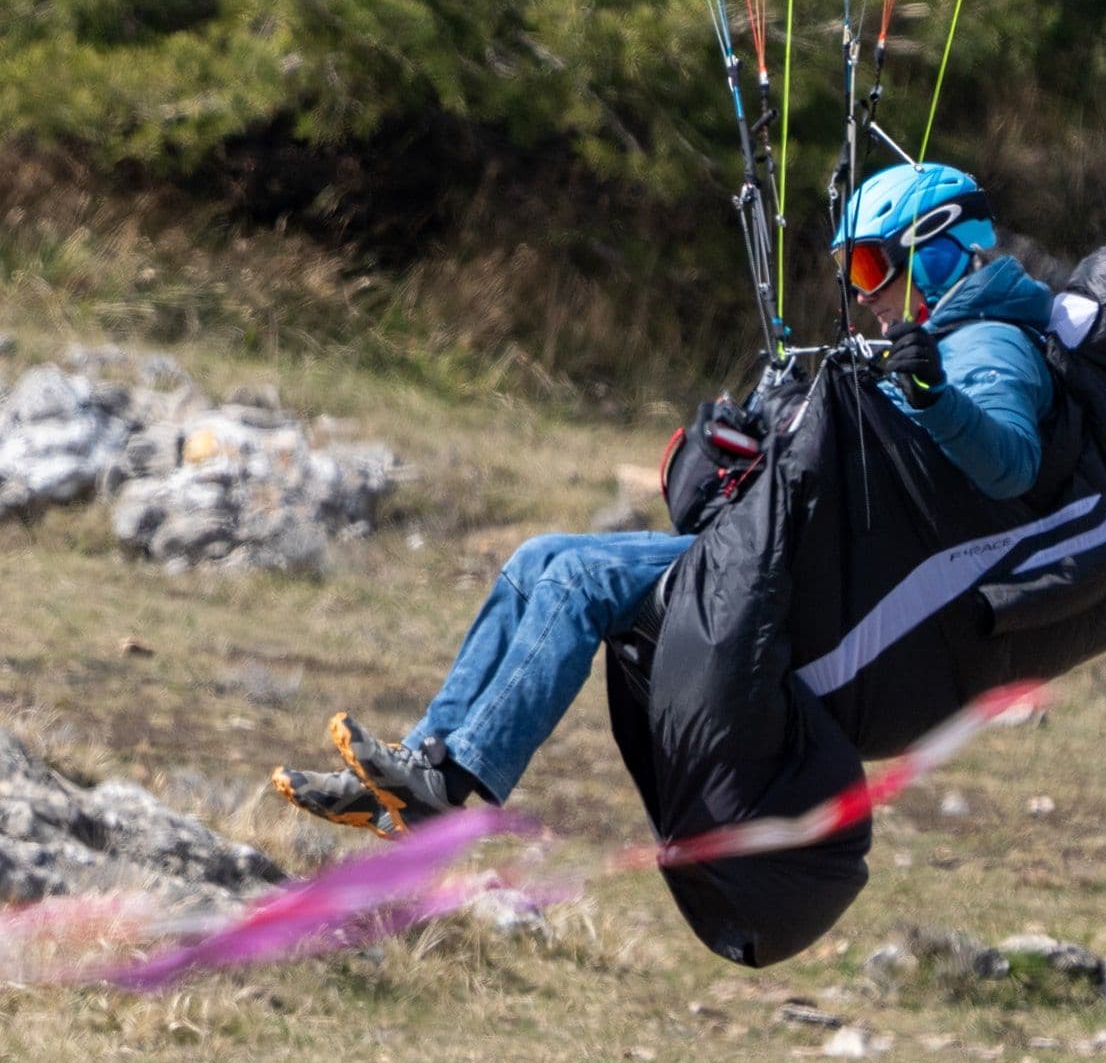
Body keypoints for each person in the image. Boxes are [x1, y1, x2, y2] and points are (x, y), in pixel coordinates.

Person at [273, 161, 1057, 837]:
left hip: (828, 590)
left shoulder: (988, 343)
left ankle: (451, 785)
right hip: (793, 552)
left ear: (939, 253)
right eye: (852, 273)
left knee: (578, 581)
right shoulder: (933, 343)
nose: (863, 298)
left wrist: (933, 392)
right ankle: (419, 773)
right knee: (538, 557)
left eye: (871, 269)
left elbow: (1012, 467)